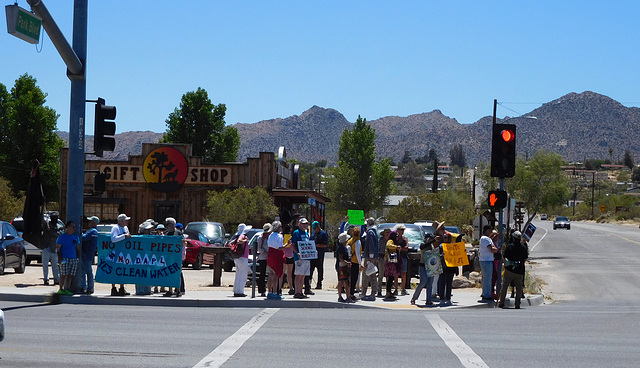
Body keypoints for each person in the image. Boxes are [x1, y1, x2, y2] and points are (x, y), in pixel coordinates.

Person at [498, 231, 529, 309]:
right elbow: (525, 258)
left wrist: (505, 265)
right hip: (519, 270)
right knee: (519, 288)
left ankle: (501, 303)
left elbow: (504, 257)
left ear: (513, 238)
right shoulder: (523, 247)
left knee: (505, 286)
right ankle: (517, 304)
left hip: (509, 270)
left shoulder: (509, 247)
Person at [411, 232, 438, 306]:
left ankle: (428, 300)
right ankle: (414, 298)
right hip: (422, 266)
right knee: (423, 282)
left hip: (430, 267)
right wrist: (432, 241)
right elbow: (422, 247)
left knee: (430, 284)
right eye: (430, 238)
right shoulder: (423, 245)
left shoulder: (432, 247)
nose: (431, 240)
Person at [110, 214, 132, 296]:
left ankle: (122, 288)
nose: (127, 222)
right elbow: (113, 239)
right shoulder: (115, 228)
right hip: (116, 252)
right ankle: (113, 288)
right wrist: (124, 236)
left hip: (124, 252)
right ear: (122, 221)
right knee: (114, 270)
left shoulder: (126, 228)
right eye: (126, 220)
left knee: (123, 269)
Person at [56, 221, 80, 295]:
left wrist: (77, 257)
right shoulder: (62, 237)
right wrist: (60, 258)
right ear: (68, 227)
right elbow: (58, 249)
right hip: (65, 258)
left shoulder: (75, 237)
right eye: (73, 227)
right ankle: (61, 289)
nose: (74, 228)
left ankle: (67, 289)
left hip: (73, 258)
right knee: (63, 274)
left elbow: (77, 248)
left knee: (70, 275)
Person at [164, 217, 184, 297]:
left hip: (177, 256)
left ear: (172, 224)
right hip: (169, 256)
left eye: (168, 224)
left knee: (177, 273)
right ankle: (170, 290)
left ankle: (178, 290)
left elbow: (184, 243)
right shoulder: (166, 234)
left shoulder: (178, 233)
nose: (167, 226)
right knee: (169, 272)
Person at [291, 218, 311, 299]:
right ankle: (297, 292)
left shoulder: (306, 233)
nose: (305, 225)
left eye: (306, 223)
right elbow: (293, 245)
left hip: (306, 257)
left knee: (303, 275)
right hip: (299, 257)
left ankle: (301, 291)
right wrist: (297, 253)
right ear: (299, 224)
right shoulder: (296, 233)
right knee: (298, 275)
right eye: (303, 224)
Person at [438, 231, 458, 307]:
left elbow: (456, 257)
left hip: (451, 267)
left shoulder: (453, 246)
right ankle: (441, 299)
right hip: (443, 267)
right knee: (442, 283)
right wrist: (441, 255)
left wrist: (456, 269)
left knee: (449, 284)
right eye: (444, 238)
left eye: (447, 238)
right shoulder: (441, 246)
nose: (446, 239)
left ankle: (448, 299)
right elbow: (438, 255)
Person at [479, 225, 498, 302]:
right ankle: (486, 295)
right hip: (486, 260)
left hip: (488, 260)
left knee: (488, 278)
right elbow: (492, 249)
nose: (491, 232)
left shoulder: (487, 239)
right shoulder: (485, 239)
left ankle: (486, 293)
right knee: (487, 278)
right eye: (490, 230)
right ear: (487, 230)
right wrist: (495, 250)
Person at [80, 216, 99, 294]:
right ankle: (83, 286)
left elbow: (83, 238)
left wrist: (79, 232)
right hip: (86, 253)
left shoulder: (93, 231)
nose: (89, 223)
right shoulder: (91, 231)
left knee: (88, 271)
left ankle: (90, 288)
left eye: (91, 221)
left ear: (94, 223)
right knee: (83, 271)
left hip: (87, 254)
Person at [361, 218, 379, 301]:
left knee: (366, 275)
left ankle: (364, 292)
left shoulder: (370, 232)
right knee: (372, 274)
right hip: (372, 257)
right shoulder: (374, 231)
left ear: (368, 223)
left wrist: (371, 256)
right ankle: (373, 292)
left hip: (369, 257)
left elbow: (371, 245)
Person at [42, 212, 61, 286]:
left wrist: (52, 231)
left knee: (55, 265)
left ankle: (56, 279)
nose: (54, 219)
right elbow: (42, 222)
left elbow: (59, 234)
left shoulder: (59, 226)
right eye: (53, 217)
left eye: (55, 217)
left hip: (54, 248)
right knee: (45, 265)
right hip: (46, 247)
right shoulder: (46, 225)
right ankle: (46, 279)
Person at [266, 221, 285, 300]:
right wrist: (287, 245)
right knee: (276, 275)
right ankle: (275, 292)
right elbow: (280, 247)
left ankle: (269, 292)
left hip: (270, 254)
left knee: (270, 275)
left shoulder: (270, 235)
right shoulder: (279, 236)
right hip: (277, 255)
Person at [232, 224, 251, 297]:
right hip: (243, 257)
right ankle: (239, 291)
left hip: (237, 257)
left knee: (238, 274)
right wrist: (245, 240)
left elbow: (231, 243)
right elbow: (240, 241)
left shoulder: (236, 236)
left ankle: (236, 290)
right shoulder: (242, 236)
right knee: (242, 275)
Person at [310, 221, 329, 290]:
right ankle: (309, 283)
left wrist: (317, 245)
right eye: (314, 229)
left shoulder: (323, 234)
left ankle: (319, 284)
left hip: (320, 255)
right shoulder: (313, 234)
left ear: (318, 226)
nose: (315, 230)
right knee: (311, 269)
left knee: (320, 270)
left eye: (315, 228)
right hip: (312, 255)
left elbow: (326, 245)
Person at [256, 223, 272, 297]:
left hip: (270, 257)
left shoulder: (271, 237)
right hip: (263, 258)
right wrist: (266, 253)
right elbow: (259, 248)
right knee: (262, 274)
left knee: (270, 274)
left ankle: (271, 289)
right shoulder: (260, 237)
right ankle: (262, 290)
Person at [336, 232, 352, 303]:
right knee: (342, 282)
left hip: (343, 266)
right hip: (341, 266)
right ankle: (342, 297)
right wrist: (347, 263)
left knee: (345, 281)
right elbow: (340, 258)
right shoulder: (340, 248)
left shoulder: (344, 247)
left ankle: (347, 297)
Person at [347, 227, 362, 301]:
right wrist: (360, 263)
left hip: (349, 261)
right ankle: (351, 294)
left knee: (350, 278)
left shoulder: (350, 241)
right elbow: (358, 253)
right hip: (355, 261)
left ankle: (349, 293)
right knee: (354, 278)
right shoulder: (358, 242)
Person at [384, 231, 400, 301]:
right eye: (396, 236)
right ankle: (388, 292)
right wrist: (396, 247)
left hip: (393, 261)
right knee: (390, 277)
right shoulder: (390, 241)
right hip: (389, 261)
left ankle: (389, 292)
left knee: (392, 277)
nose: (397, 238)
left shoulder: (394, 242)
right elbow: (388, 245)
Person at [394, 224, 410, 296]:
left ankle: (403, 288)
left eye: (403, 230)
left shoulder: (405, 238)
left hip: (403, 257)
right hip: (396, 257)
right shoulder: (395, 239)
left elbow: (407, 247)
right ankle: (396, 289)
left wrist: (401, 249)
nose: (402, 232)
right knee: (396, 273)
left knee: (404, 273)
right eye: (401, 230)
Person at [376, 227, 391, 298]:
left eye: (388, 233)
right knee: (381, 274)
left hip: (389, 259)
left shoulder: (391, 241)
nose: (387, 234)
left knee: (388, 275)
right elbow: (378, 249)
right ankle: (379, 290)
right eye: (386, 233)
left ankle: (388, 291)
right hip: (381, 258)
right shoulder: (381, 240)